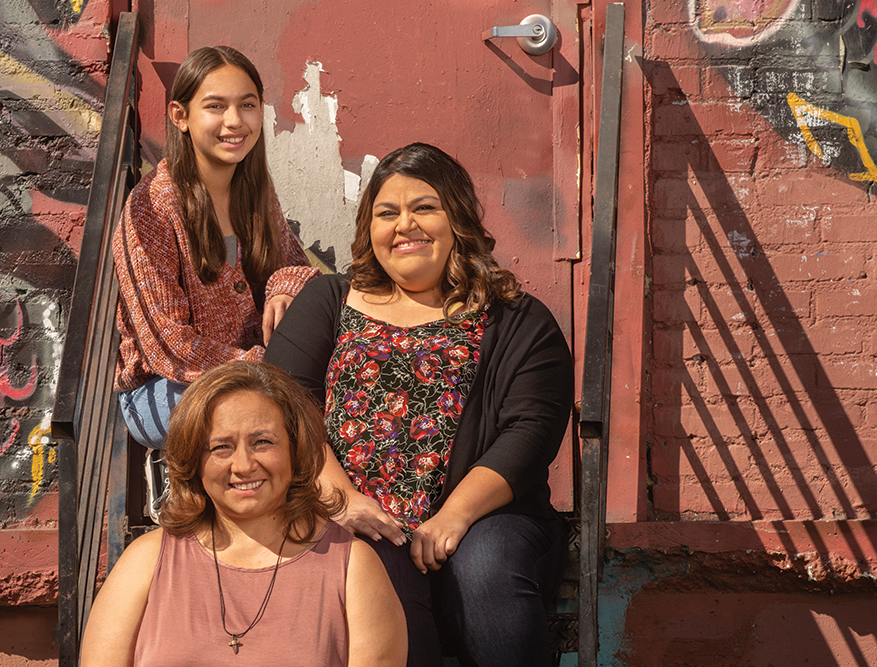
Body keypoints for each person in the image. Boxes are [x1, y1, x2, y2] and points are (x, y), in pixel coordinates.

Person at [264, 143, 574, 666]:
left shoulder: (516, 318)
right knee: (374, 568)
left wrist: (454, 516)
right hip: (353, 512)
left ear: (456, 219)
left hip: (485, 518)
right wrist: (343, 500)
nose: (404, 224)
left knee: (486, 568)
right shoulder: (328, 302)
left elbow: (531, 429)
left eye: (424, 208)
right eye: (387, 213)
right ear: (370, 230)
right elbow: (280, 406)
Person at [81, 360, 407, 666]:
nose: (244, 465)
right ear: (194, 460)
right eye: (221, 446)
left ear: (296, 449)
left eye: (262, 442)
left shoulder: (353, 567)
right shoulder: (145, 562)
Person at [113, 46, 318, 453]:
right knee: (283, 416)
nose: (234, 121)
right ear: (180, 116)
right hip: (166, 390)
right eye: (215, 106)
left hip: (256, 373)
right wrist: (268, 368)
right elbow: (169, 346)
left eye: (247, 105)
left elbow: (297, 265)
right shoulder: (153, 208)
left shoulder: (254, 190)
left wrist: (284, 285)